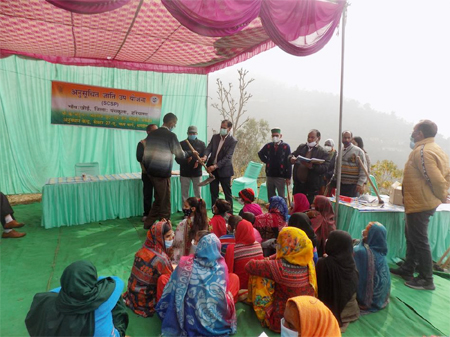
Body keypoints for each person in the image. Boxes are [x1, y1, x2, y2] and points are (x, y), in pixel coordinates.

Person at [391, 120, 450, 290]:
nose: (412, 134)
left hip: (421, 203)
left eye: (414, 131)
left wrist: (440, 196)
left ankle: (426, 278)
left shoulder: (423, 151)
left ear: (421, 134)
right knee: (412, 236)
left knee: (419, 240)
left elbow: (437, 179)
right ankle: (408, 268)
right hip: (418, 201)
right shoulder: (435, 149)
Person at [156, 233, 238, 336]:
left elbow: (172, 287)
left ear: (200, 247)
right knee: (234, 279)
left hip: (189, 321)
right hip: (216, 324)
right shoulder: (221, 266)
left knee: (166, 281)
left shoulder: (185, 264)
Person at [25, 260, 129, 337]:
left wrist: (73, 286)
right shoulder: (101, 303)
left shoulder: (45, 300)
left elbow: (59, 290)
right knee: (117, 304)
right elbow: (117, 282)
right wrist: (95, 283)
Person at [245, 227, 316, 333]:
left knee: (259, 276)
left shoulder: (280, 268)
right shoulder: (308, 261)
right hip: (307, 319)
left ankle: (264, 312)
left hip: (284, 322)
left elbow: (249, 266)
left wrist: (270, 259)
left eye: (279, 242)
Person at [142, 113, 191, 229]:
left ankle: (148, 223)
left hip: (151, 173)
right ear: (171, 123)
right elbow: (179, 154)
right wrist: (190, 153)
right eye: (175, 123)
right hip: (162, 174)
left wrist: (149, 169)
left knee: (159, 199)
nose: (174, 125)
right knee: (165, 202)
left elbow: (145, 156)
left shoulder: (151, 135)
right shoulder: (171, 136)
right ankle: (165, 227)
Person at [123, 220, 174, 317]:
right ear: (158, 238)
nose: (171, 239)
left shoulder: (143, 249)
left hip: (132, 295)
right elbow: (170, 279)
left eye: (172, 235)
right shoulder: (161, 259)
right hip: (146, 302)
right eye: (167, 237)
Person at [316, 230, 359, 331]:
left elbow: (320, 289)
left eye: (329, 240)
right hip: (351, 311)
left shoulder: (323, 263)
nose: (326, 241)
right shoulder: (351, 262)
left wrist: (325, 260)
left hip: (332, 312)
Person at [354, 222, 390, 312]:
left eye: (366, 231)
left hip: (367, 301)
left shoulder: (361, 252)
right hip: (381, 298)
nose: (363, 233)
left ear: (371, 235)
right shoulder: (381, 252)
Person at [202, 120, 238, 212]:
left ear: (229, 129)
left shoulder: (232, 141)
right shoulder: (215, 137)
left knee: (227, 194)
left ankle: (229, 214)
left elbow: (228, 157)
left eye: (224, 128)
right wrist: (205, 156)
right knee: (214, 193)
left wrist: (215, 166)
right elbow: (208, 148)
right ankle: (215, 212)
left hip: (224, 170)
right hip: (212, 170)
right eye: (221, 127)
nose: (222, 129)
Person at [289, 129, 330, 204]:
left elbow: (325, 168)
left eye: (312, 137)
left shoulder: (323, 152)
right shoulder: (302, 147)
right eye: (308, 137)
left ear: (318, 138)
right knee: (296, 206)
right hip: (298, 185)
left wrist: (312, 166)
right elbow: (291, 155)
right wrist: (291, 159)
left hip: (311, 187)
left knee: (307, 207)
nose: (310, 139)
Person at [225, 219, 264, 291]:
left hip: (240, 288)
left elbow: (228, 272)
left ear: (239, 231)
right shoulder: (258, 245)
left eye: (236, 230)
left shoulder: (232, 249)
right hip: (256, 288)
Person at [258, 127, 292, 199]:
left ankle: (283, 210)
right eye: (273, 136)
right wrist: (267, 161)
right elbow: (260, 153)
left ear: (281, 136)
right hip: (270, 175)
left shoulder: (286, 147)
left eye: (277, 135)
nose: (275, 137)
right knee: (271, 196)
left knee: (281, 197)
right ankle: (272, 209)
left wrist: (288, 177)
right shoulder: (268, 146)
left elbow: (289, 162)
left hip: (281, 176)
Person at [330, 131, 367, 198]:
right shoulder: (340, 151)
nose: (346, 140)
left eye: (348, 138)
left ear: (351, 139)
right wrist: (334, 179)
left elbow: (363, 169)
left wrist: (360, 183)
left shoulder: (358, 151)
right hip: (341, 184)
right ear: (342, 139)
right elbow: (336, 167)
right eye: (345, 138)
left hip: (353, 185)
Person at [173, 197, 209, 263]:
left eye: (186, 206)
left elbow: (178, 241)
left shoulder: (184, 223)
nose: (184, 208)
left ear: (193, 209)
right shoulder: (207, 222)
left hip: (186, 259)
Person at [176, 125, 206, 203]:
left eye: (194, 133)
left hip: (197, 173)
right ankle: (186, 212)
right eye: (190, 133)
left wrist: (199, 162)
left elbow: (205, 158)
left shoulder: (201, 144)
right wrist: (186, 161)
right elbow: (177, 159)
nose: (192, 134)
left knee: (198, 194)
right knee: (184, 195)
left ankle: (199, 212)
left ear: (197, 133)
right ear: (187, 133)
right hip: (185, 173)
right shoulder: (181, 144)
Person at [136, 124, 158, 222]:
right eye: (154, 131)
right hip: (147, 173)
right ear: (148, 132)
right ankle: (147, 214)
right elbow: (139, 157)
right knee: (147, 194)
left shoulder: (159, 143)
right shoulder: (142, 143)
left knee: (158, 195)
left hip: (158, 173)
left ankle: (157, 214)